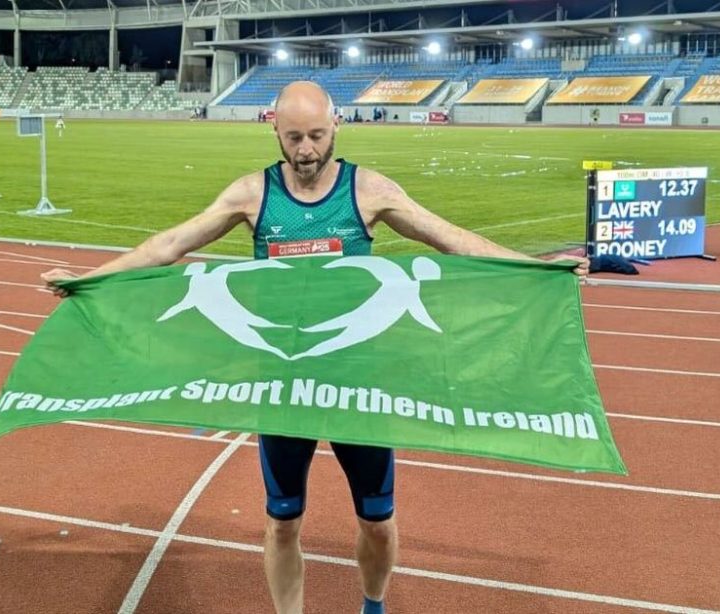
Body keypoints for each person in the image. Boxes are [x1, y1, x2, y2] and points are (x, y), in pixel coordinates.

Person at [41, 80, 588, 614]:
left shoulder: (368, 191)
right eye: (294, 137)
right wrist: (90, 279)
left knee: (377, 519)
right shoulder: (253, 194)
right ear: (274, 131)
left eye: (317, 136)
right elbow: (168, 246)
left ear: (336, 126)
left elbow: (451, 239)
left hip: (358, 379)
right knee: (282, 521)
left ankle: (373, 606)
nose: (306, 150)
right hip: (284, 381)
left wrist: (535, 268)